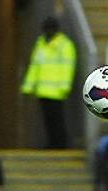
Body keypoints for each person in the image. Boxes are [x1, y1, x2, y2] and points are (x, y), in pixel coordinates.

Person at [21, 17, 77, 149]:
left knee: (57, 120)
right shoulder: (40, 44)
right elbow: (34, 66)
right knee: (48, 120)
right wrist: (28, 86)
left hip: (57, 91)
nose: (48, 32)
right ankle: (52, 144)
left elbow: (67, 67)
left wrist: (65, 86)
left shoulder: (64, 45)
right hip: (42, 90)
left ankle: (60, 144)